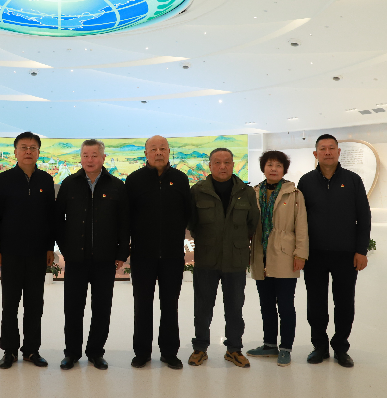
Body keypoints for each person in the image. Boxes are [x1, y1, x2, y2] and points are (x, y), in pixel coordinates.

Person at [298, 134, 371, 368]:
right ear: (315, 153)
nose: (327, 152)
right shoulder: (306, 182)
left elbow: (364, 217)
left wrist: (361, 250)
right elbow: (298, 220)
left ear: (339, 152)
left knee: (344, 303)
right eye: (323, 148)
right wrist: (300, 251)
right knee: (316, 303)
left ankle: (340, 347)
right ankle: (319, 346)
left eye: (331, 148)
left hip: (345, 255)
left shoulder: (353, 180)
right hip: (314, 255)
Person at [56, 139, 129, 370]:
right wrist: (66, 249)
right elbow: (58, 221)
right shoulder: (69, 184)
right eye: (85, 155)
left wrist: (121, 253)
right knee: (73, 309)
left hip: (105, 260)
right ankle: (71, 353)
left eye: (94, 155)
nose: (90, 160)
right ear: (80, 158)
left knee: (102, 309)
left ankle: (96, 352)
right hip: (76, 260)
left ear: (103, 158)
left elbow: (124, 223)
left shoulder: (116, 185)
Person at [0, 131, 56, 369]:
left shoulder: (46, 180)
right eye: (24, 147)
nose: (28, 151)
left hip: (38, 253)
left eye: (33, 148)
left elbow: (51, 217)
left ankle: (31, 350)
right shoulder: (3, 180)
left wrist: (50, 247)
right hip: (10, 252)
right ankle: (9, 351)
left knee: (35, 304)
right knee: (10, 304)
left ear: (38, 152)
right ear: (15, 151)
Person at [188, 148, 259, 368]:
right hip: (206, 259)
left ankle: (234, 349)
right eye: (217, 162)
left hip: (235, 260)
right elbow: (192, 223)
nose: (222, 166)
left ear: (233, 164)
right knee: (202, 307)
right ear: (209, 165)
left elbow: (252, 223)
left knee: (235, 308)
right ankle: (200, 348)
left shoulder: (246, 192)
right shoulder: (198, 191)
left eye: (227, 162)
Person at [125, 135, 191, 370]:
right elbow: (126, 217)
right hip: (143, 255)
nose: (158, 152)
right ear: (146, 153)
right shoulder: (134, 180)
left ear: (169, 152)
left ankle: (169, 352)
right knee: (142, 305)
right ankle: (142, 352)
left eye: (163, 148)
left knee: (170, 305)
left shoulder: (180, 179)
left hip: (172, 255)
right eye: (153, 149)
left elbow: (187, 213)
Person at [246, 151, 308, 367]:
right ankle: (269, 344)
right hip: (260, 255)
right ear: (263, 168)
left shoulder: (294, 194)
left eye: (278, 165)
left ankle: (286, 347)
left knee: (286, 305)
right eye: (269, 164)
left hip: (284, 255)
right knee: (266, 304)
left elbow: (301, 226)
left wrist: (301, 254)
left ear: (284, 170)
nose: (273, 169)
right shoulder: (254, 193)